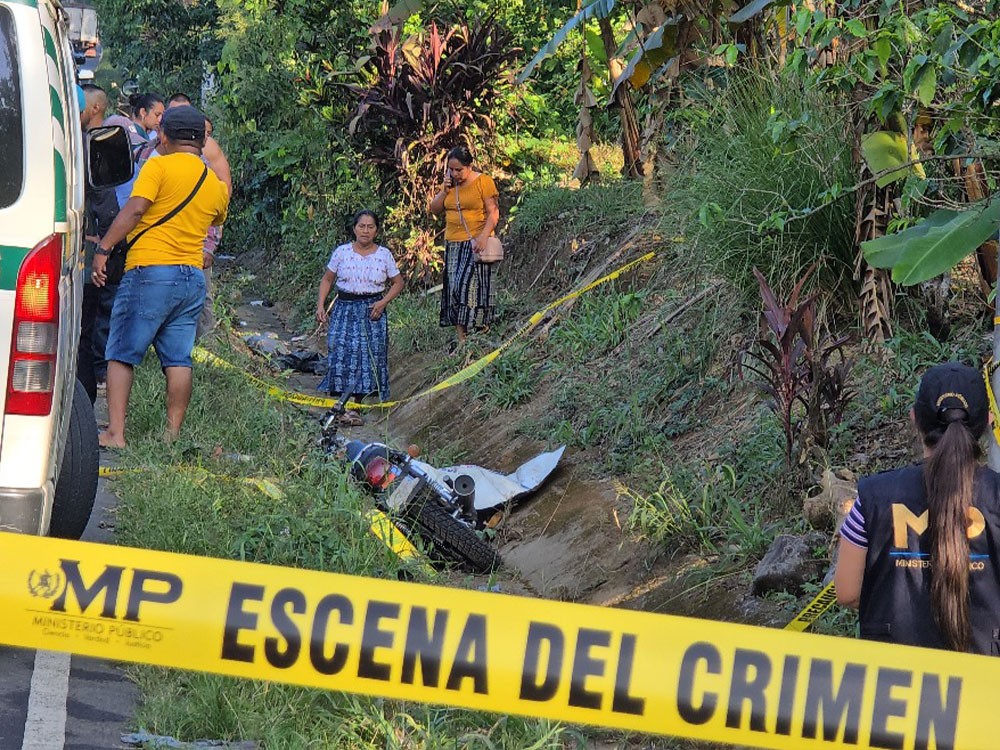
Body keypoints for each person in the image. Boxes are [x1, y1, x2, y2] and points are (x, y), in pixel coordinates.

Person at [835, 361, 1000, 654]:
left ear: (914, 418)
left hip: (893, 685)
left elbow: (847, 592)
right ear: (988, 421)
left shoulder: (871, 498)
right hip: (986, 688)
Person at [91, 105, 230, 448]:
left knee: (122, 351)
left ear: (164, 135)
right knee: (178, 358)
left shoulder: (159, 165)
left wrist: (105, 248)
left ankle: (116, 433)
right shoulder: (213, 182)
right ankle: (171, 436)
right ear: (201, 140)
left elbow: (136, 208)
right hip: (192, 278)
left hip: (151, 271)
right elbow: (217, 217)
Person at [137, 94, 233, 339]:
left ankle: (203, 348)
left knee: (198, 306)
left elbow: (219, 200)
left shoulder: (207, 155)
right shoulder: (146, 155)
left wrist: (209, 246)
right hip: (153, 253)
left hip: (192, 250)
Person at [315, 210, 404, 427]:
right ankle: (340, 406)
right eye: (361, 226)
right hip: (344, 309)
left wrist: (382, 304)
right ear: (354, 228)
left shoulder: (384, 255)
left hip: (372, 311)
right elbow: (327, 279)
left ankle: (356, 407)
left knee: (367, 356)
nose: (365, 230)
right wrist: (321, 305)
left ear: (376, 230)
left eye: (370, 226)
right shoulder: (342, 252)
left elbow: (398, 282)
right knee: (341, 351)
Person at [428, 146, 500, 351]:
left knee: (472, 287)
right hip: (453, 243)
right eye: (451, 169)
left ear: (469, 166)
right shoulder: (450, 185)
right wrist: (444, 190)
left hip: (476, 242)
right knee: (454, 289)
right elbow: (434, 209)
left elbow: (493, 213)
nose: (454, 173)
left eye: (459, 169)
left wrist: (484, 237)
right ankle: (462, 339)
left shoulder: (483, 182)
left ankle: (481, 329)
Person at [77, 84, 119, 402]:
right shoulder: (92, 147)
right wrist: (105, 249)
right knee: (83, 333)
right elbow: (106, 205)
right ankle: (83, 398)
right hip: (84, 254)